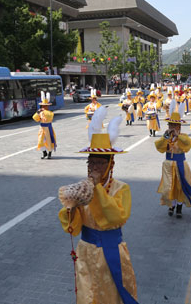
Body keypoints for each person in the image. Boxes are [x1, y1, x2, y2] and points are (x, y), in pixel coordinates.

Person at [58, 109, 139, 304]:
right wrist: (70, 208)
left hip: (110, 251)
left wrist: (98, 191)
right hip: (86, 251)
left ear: (111, 164)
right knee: (87, 295)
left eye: (100, 163)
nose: (95, 167)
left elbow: (116, 217)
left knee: (110, 295)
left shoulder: (121, 188)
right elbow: (74, 228)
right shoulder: (82, 189)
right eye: (91, 162)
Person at [155, 101, 191, 218]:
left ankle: (179, 208)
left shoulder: (183, 136)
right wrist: (165, 137)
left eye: (174, 126)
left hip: (180, 165)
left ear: (179, 127)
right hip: (168, 165)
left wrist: (177, 135)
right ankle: (171, 206)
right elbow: (159, 147)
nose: (172, 128)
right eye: (170, 126)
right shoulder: (166, 137)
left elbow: (188, 143)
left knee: (180, 187)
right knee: (169, 186)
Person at [32, 91, 57, 159]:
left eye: (45, 105)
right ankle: (44, 153)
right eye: (43, 105)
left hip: (48, 128)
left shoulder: (50, 113)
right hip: (42, 129)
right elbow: (35, 118)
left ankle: (49, 153)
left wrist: (42, 112)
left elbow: (49, 117)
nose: (44, 106)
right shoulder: (40, 112)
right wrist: (38, 112)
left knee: (49, 141)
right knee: (41, 141)